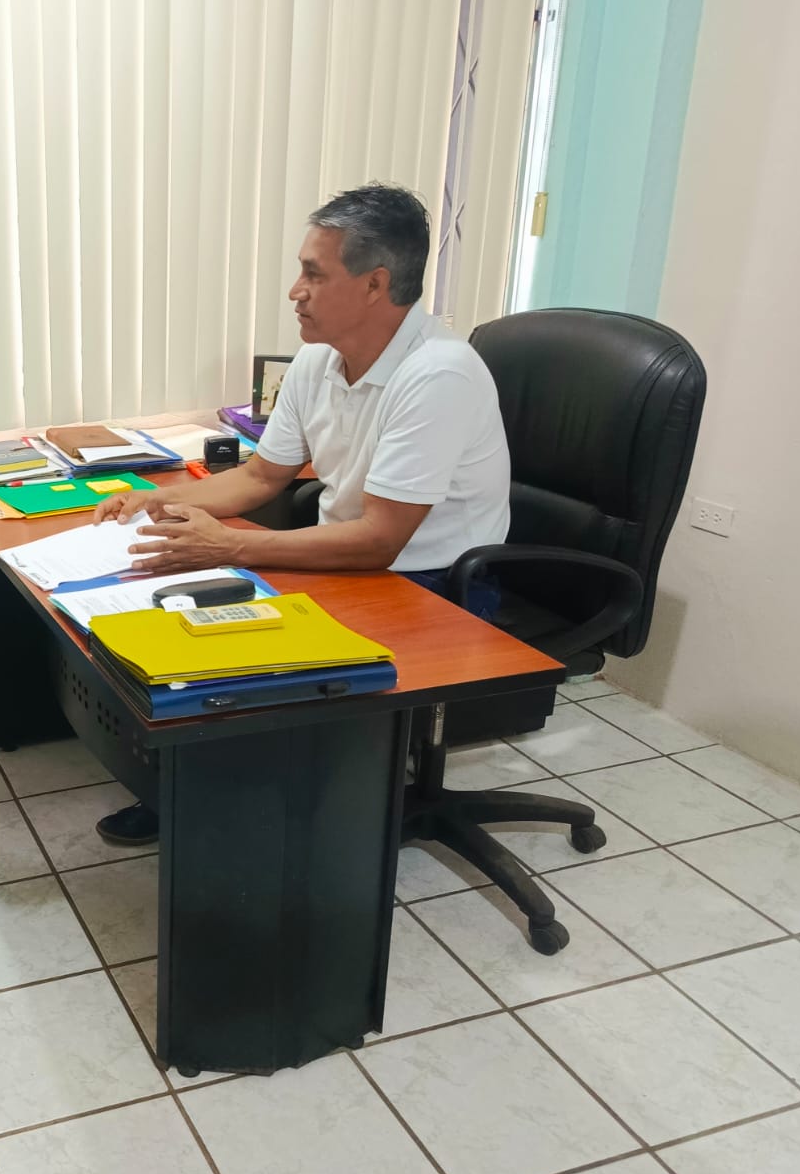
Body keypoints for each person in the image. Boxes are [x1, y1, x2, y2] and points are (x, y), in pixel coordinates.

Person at [92, 183, 511, 846]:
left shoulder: (439, 374)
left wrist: (230, 547)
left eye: (314, 274)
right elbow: (262, 476)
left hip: (434, 585)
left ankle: (244, 812)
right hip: (354, 557)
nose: (296, 291)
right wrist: (159, 499)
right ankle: (189, 789)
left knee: (246, 648)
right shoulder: (318, 361)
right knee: (186, 612)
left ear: (375, 285)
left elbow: (380, 540)